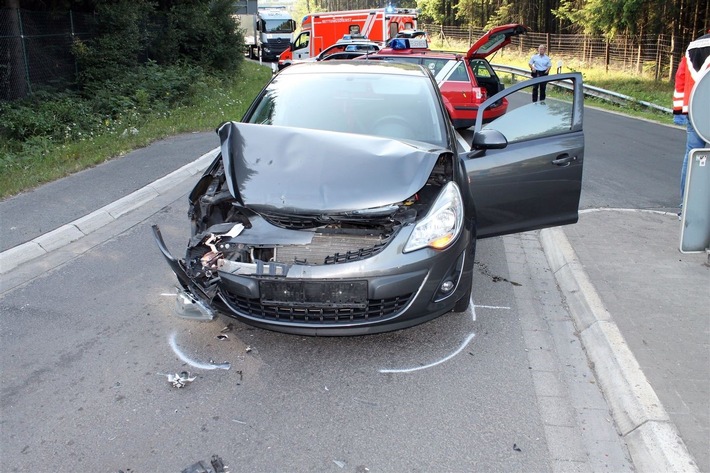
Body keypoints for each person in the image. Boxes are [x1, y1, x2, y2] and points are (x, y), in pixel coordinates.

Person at [673, 31, 710, 210]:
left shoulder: (693, 46)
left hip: (694, 111)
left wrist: (679, 111)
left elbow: (680, 78)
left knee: (691, 156)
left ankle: (685, 207)